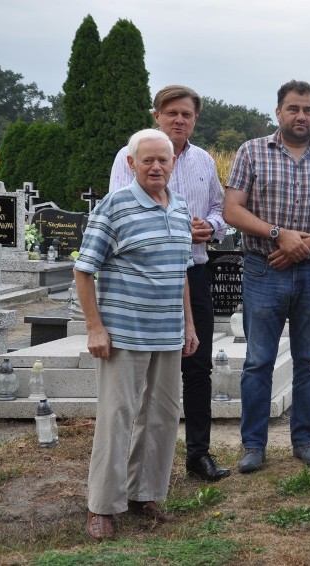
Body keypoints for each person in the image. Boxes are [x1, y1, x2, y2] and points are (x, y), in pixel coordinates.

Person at [223, 80, 310, 473]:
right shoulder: (251, 152)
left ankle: (305, 440)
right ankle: (253, 445)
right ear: (278, 112)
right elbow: (233, 210)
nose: (301, 116)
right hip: (264, 269)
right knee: (258, 360)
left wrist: (305, 246)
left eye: (308, 110)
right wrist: (279, 235)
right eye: (294, 109)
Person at [76, 129, 198, 542]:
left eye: (164, 160)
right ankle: (102, 506)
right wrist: (95, 327)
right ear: (131, 163)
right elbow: (83, 268)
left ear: (173, 163)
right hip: (124, 335)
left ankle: (144, 494)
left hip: (167, 334)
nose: (156, 167)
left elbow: (181, 271)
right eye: (147, 160)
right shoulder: (115, 207)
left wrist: (190, 325)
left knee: (161, 418)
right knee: (117, 419)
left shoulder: (180, 207)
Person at [109, 85, 230, 482]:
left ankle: (198, 454)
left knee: (197, 367)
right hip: (143, 278)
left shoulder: (203, 162)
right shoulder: (131, 156)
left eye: (187, 115)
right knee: (140, 373)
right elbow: (117, 211)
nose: (179, 120)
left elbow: (220, 209)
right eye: (171, 113)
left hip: (191, 273)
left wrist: (209, 227)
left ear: (195, 119)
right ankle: (131, 462)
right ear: (157, 115)